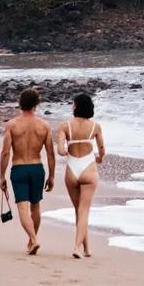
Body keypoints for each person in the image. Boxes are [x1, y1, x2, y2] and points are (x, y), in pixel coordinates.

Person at [0, 87, 55, 255]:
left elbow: (6, 152)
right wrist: (51, 176)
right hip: (37, 168)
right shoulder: (44, 125)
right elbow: (50, 152)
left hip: (19, 168)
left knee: (22, 207)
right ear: (36, 105)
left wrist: (2, 176)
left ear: (20, 104)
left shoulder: (12, 125)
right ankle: (32, 241)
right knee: (35, 206)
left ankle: (34, 240)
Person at [55, 92, 105, 259]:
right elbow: (102, 149)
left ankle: (85, 248)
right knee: (83, 211)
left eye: (73, 103)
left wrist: (66, 151)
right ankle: (79, 247)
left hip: (72, 169)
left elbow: (61, 150)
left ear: (76, 106)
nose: (71, 105)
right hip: (89, 168)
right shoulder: (95, 126)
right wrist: (99, 158)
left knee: (79, 210)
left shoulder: (65, 125)